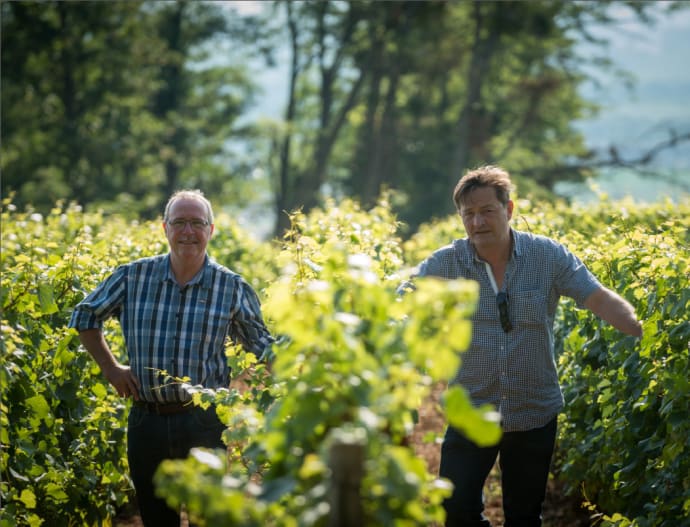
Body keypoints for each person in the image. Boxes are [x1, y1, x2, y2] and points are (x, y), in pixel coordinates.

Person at [403, 166, 642, 527]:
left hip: (534, 410)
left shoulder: (547, 257)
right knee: (456, 510)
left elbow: (596, 296)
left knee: (524, 517)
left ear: (509, 209)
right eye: (469, 214)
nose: (478, 221)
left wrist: (639, 328)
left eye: (487, 211)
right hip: (472, 409)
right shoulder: (447, 262)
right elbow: (402, 300)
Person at [69, 189, 274, 527]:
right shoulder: (133, 277)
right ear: (165, 228)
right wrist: (111, 368)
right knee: (156, 517)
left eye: (197, 223)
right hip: (146, 421)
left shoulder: (231, 287)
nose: (188, 232)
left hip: (205, 424)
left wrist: (290, 364)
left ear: (211, 230)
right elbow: (84, 316)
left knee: (207, 518)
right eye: (179, 222)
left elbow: (262, 346)